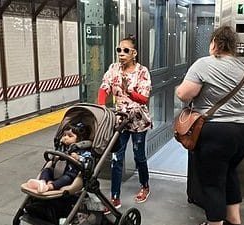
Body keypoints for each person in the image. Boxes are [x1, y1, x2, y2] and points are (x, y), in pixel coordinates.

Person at [176, 26, 244, 225]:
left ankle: (215, 224)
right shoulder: (242, 68)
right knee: (229, 173)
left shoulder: (204, 64)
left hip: (217, 132)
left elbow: (184, 94)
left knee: (212, 183)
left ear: (215, 43)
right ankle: (235, 221)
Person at [97, 35, 152, 209]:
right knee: (116, 158)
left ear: (134, 53)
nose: (121, 53)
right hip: (120, 120)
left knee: (139, 156)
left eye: (126, 50)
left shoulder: (142, 72)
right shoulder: (113, 69)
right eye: (119, 50)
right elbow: (104, 87)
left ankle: (145, 185)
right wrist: (101, 107)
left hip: (138, 120)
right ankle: (114, 197)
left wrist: (129, 91)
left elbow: (144, 98)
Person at [26, 122, 92, 193]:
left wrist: (78, 158)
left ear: (80, 139)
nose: (65, 137)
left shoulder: (83, 151)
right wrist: (56, 157)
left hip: (71, 174)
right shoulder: (62, 147)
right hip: (57, 171)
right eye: (64, 135)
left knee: (67, 178)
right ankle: (42, 182)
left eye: (70, 136)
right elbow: (54, 159)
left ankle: (49, 187)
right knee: (47, 170)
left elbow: (87, 163)